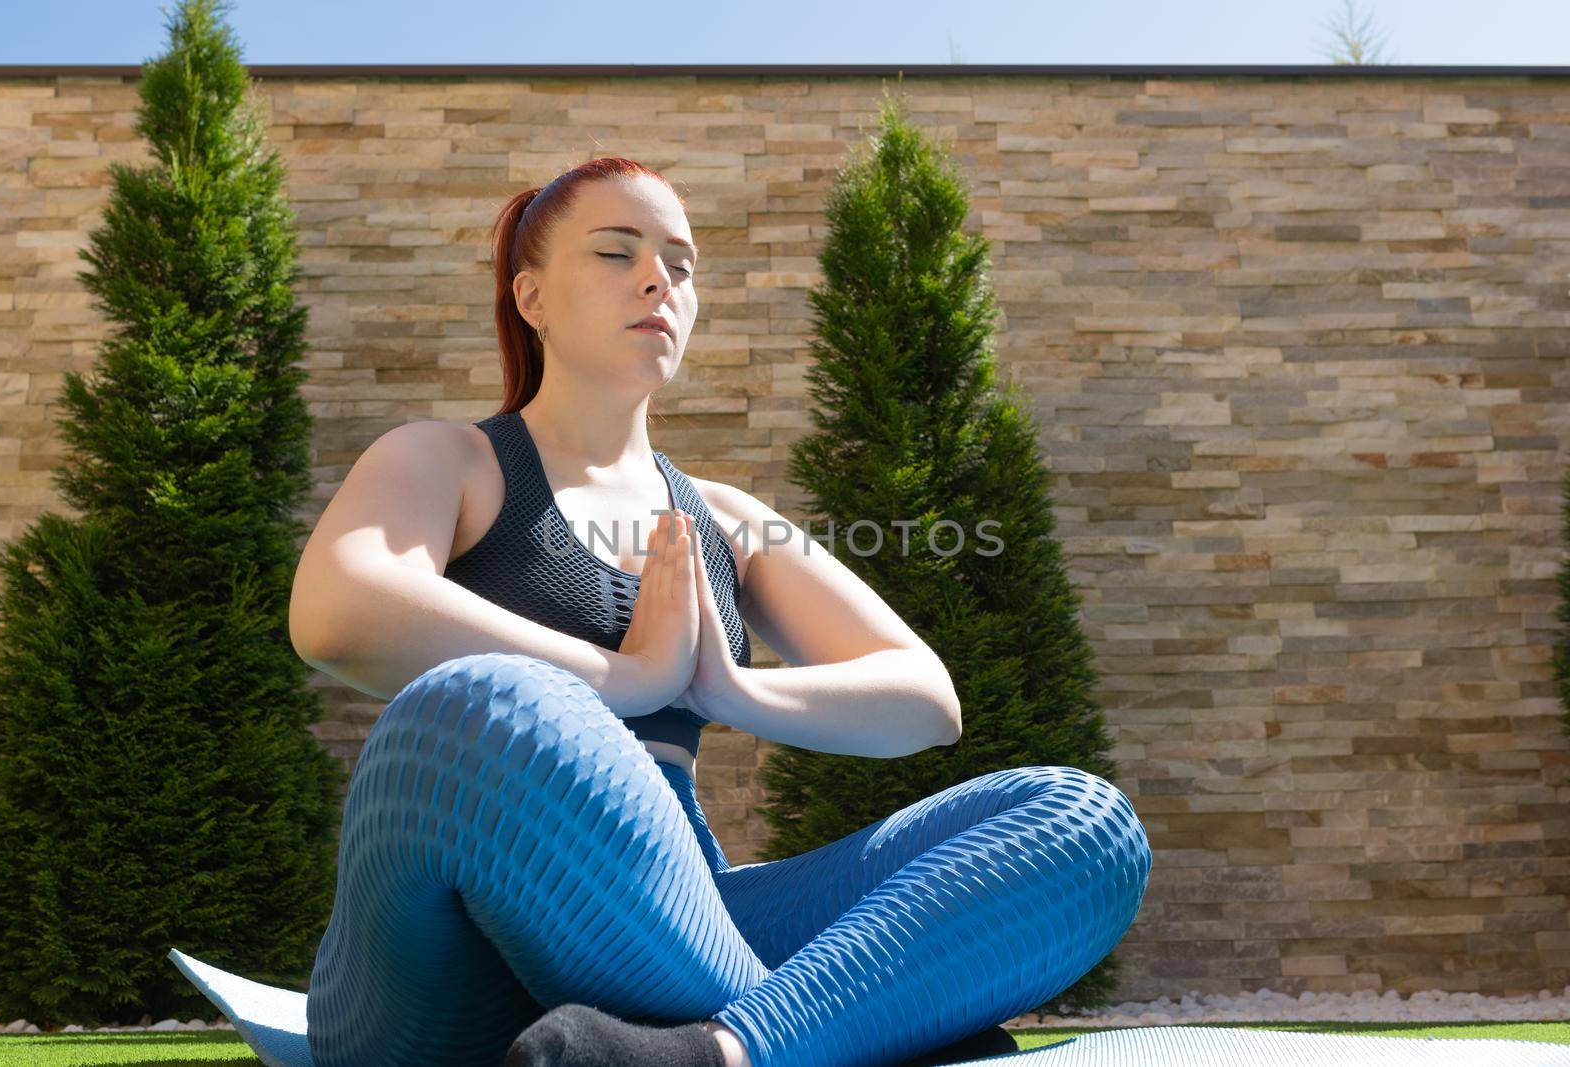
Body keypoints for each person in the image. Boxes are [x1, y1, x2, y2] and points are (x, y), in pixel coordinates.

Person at [287, 156, 1153, 1067]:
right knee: (479, 701)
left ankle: (725, 1053)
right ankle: (861, 1023)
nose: (658, 278)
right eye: (617, 252)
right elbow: (339, 610)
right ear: (531, 297)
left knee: (1080, 819)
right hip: (441, 977)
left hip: (680, 923)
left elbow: (925, 700)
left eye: (681, 263)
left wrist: (728, 688)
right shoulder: (448, 461)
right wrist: (630, 677)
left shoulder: (729, 522)